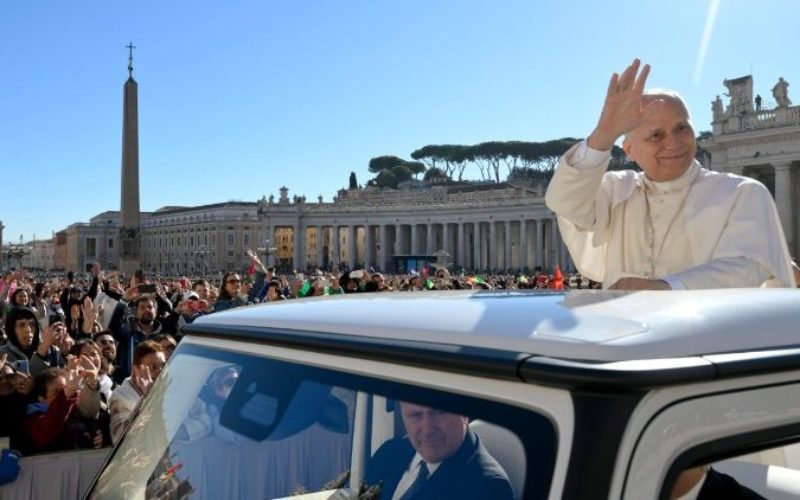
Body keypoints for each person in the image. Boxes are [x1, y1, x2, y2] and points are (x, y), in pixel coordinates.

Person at [545, 59, 796, 290]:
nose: (674, 143)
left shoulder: (742, 192)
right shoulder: (614, 191)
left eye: (682, 128)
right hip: (623, 332)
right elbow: (564, 202)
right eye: (656, 135)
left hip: (711, 337)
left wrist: (665, 287)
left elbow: (750, 264)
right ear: (630, 149)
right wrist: (603, 133)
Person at [364, 401, 513, 500]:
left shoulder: (489, 487)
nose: (428, 429)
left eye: (439, 412)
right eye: (415, 415)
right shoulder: (389, 452)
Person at [108, 340, 166, 443]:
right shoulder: (121, 396)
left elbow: (201, 416)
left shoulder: (170, 386)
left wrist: (184, 432)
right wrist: (147, 399)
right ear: (137, 369)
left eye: (163, 366)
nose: (160, 372)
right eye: (153, 367)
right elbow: (119, 437)